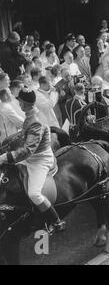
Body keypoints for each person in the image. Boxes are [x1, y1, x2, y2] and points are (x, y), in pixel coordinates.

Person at [0, 88, 65, 232]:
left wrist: (5, 157)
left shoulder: (35, 121)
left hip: (40, 159)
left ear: (24, 103)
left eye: (20, 101)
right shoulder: (30, 115)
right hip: (31, 157)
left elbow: (28, 149)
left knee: (34, 194)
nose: (19, 104)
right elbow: (25, 135)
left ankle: (57, 221)